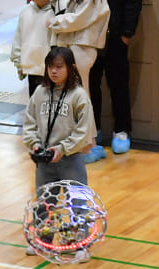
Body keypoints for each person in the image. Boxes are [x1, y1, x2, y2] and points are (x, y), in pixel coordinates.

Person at [47, 0, 110, 163]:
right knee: (80, 96)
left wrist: (54, 22)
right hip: (74, 43)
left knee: (79, 97)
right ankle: (90, 143)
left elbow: (79, 18)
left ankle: (86, 147)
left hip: (81, 45)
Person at [23, 47, 95, 189]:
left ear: (71, 67)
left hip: (71, 159)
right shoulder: (40, 92)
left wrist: (62, 149)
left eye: (59, 67)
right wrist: (34, 144)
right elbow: (29, 121)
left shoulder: (79, 95)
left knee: (77, 206)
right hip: (45, 160)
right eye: (50, 66)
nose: (53, 71)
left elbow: (83, 130)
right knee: (44, 207)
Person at [92, 0, 142, 156]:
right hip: (89, 33)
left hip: (116, 34)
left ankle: (121, 130)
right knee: (90, 83)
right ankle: (93, 130)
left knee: (118, 83)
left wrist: (127, 33)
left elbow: (133, 3)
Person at [11, 0, 56, 97]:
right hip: (31, 67)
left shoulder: (54, 13)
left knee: (49, 101)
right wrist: (19, 64)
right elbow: (18, 39)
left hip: (50, 69)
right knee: (34, 99)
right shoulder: (25, 11)